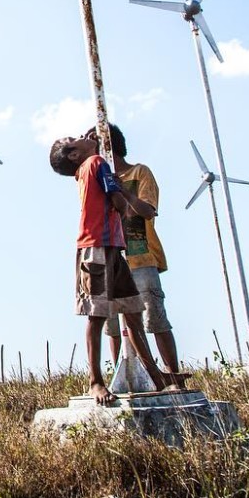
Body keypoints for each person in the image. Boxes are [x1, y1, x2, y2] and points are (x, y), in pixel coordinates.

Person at [50, 132, 172, 405]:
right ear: (73, 153)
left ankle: (155, 375)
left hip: (113, 246)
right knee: (97, 315)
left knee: (132, 310)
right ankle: (95, 382)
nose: (83, 135)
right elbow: (117, 203)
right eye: (75, 137)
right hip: (97, 247)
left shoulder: (86, 168)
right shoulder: (95, 162)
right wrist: (121, 192)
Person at [85, 124, 184, 381]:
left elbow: (147, 210)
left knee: (154, 316)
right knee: (113, 323)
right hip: (111, 256)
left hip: (140, 255)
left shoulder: (140, 172)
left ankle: (173, 375)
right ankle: (126, 376)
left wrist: (121, 191)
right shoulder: (96, 177)